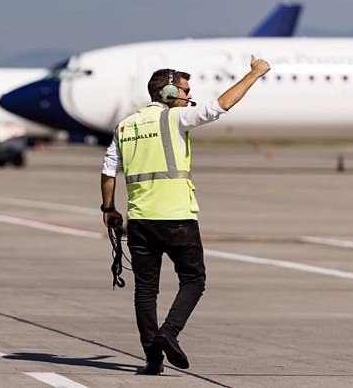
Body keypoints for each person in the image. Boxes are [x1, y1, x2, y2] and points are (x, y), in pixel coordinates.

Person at [99, 56, 270, 375]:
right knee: (193, 280)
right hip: (177, 217)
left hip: (140, 220)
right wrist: (255, 74)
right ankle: (169, 332)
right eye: (185, 91)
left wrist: (109, 209)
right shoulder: (174, 119)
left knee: (145, 290)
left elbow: (109, 169)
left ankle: (152, 359)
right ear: (167, 93)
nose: (190, 96)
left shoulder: (125, 126)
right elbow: (220, 106)